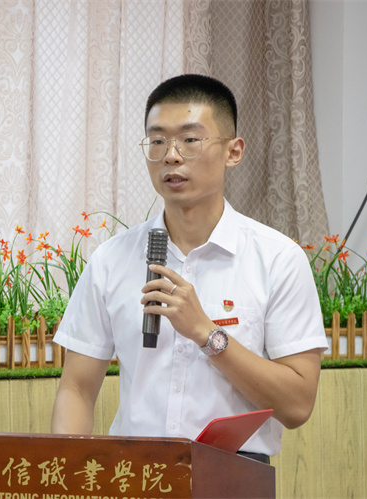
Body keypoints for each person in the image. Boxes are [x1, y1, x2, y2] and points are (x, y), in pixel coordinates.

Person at [50, 74, 328, 461]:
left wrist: (206, 334)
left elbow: (297, 406)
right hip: (135, 473)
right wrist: (73, 475)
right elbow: (77, 390)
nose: (171, 155)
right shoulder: (111, 260)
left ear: (233, 151)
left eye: (190, 140)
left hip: (235, 474)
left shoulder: (277, 259)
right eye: (157, 141)